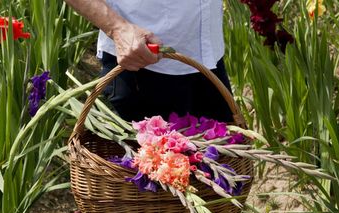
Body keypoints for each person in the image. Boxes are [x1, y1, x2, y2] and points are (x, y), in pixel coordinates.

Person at [64, 0, 233, 122]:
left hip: (209, 62)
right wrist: (117, 28)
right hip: (141, 62)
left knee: (221, 166)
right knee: (143, 168)